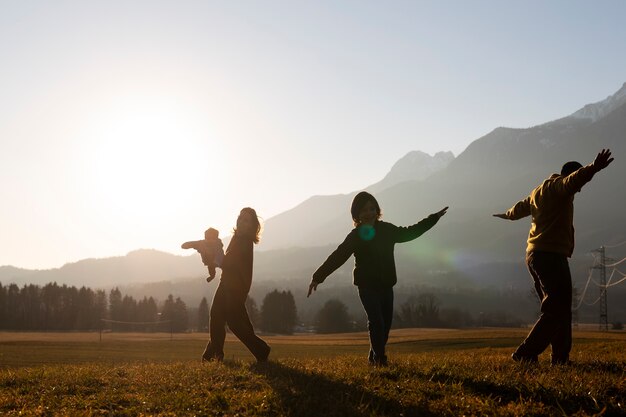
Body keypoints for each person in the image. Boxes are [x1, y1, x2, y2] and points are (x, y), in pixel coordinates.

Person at [493, 149, 614, 365]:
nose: (577, 191)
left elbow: (519, 209)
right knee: (557, 309)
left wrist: (507, 214)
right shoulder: (560, 187)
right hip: (550, 256)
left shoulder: (538, 191)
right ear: (569, 175)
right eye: (577, 188)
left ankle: (560, 359)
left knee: (558, 309)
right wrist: (594, 167)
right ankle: (526, 353)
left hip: (534, 255)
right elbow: (573, 181)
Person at [308, 191, 448, 366]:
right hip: (367, 287)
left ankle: (373, 359)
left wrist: (433, 218)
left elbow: (411, 232)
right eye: (364, 210)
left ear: (377, 210)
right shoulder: (356, 235)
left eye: (371, 209)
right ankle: (380, 360)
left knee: (385, 328)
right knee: (376, 322)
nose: (368, 213)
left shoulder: (387, 230)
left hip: (386, 286)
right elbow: (338, 256)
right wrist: (318, 277)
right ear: (357, 214)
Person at [201, 208, 270, 363]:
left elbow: (227, 262)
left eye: (246, 220)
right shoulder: (237, 237)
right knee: (220, 318)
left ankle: (261, 350)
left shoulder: (244, 241)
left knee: (234, 323)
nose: (241, 221)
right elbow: (225, 261)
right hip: (227, 283)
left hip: (235, 288)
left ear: (252, 226)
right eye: (240, 217)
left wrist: (214, 250)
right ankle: (212, 356)